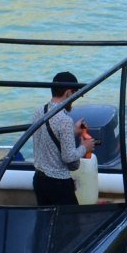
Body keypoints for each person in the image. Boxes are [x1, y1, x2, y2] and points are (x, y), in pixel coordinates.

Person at [30, 71, 96, 206]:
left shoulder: (39, 111)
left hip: (39, 180)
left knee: (46, 222)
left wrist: (72, 130)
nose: (74, 99)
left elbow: (46, 137)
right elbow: (68, 157)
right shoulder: (65, 120)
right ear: (68, 93)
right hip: (58, 184)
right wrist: (85, 147)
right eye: (75, 95)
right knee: (70, 224)